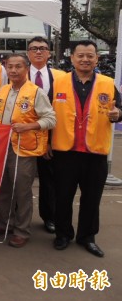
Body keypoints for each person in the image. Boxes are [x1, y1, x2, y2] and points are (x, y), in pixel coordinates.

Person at [51, 40, 122, 258]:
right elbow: (46, 113)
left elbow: (119, 108)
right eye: (80, 55)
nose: (85, 59)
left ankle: (87, 237)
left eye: (90, 56)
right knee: (63, 196)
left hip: (95, 152)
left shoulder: (108, 84)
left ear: (96, 59)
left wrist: (117, 114)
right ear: (72, 58)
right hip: (65, 151)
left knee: (92, 198)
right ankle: (63, 235)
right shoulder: (58, 82)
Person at [0, 54, 56, 248]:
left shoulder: (35, 92)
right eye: (10, 67)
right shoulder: (3, 90)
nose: (13, 70)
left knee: (22, 191)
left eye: (18, 67)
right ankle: (5, 222)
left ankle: (22, 230)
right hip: (2, 148)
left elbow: (51, 119)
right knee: (3, 189)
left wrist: (30, 126)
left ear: (26, 68)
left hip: (23, 149)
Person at [26, 36, 66, 234]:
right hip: (22, 137)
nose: (38, 52)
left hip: (49, 138)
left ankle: (49, 217)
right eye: (34, 49)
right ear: (28, 53)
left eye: (42, 48)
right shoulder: (17, 74)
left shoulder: (61, 77)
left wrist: (49, 141)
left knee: (49, 180)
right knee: (21, 180)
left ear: (49, 53)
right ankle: (17, 217)